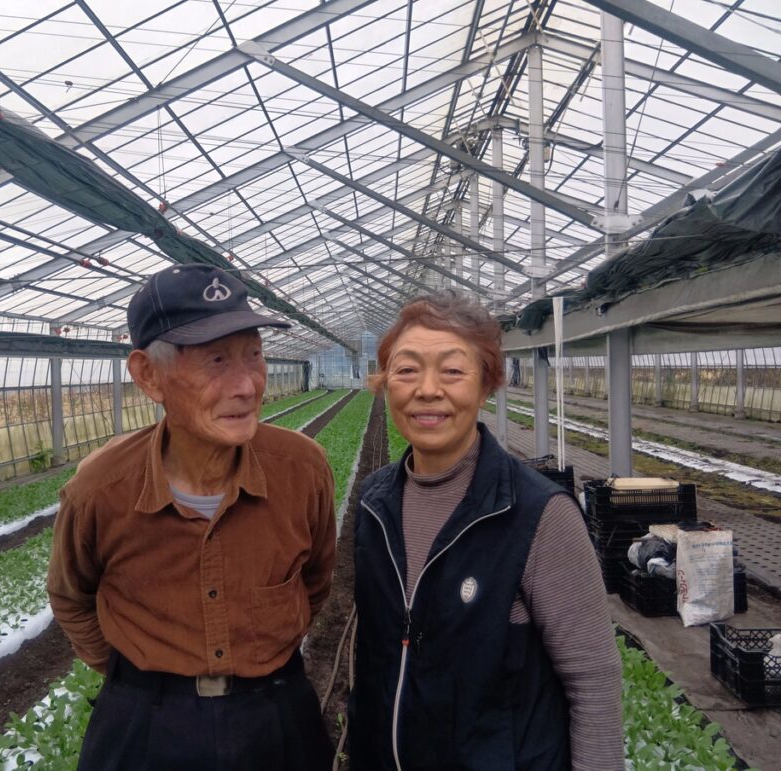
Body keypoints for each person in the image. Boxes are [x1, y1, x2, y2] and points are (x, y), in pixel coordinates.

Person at [47, 263, 337, 771]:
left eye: (254, 355)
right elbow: (72, 596)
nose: (246, 385)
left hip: (275, 711)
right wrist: (140, 683)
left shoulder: (301, 470)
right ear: (148, 375)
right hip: (145, 724)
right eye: (216, 360)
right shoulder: (101, 489)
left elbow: (315, 580)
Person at [348, 291, 622, 771]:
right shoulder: (375, 502)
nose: (427, 390)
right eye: (406, 369)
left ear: (486, 384)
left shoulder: (539, 515)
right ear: (385, 382)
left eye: (452, 371)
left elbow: (593, 680)